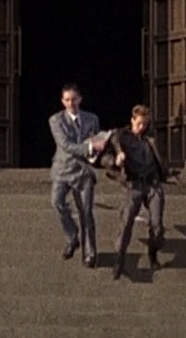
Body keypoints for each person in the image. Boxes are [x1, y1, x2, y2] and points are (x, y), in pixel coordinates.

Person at [108, 105, 170, 279]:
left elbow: (159, 158)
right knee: (126, 222)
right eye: (139, 123)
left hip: (152, 184)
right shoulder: (123, 136)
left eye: (145, 124)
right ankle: (119, 259)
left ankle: (153, 251)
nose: (142, 127)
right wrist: (118, 156)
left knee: (157, 224)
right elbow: (112, 141)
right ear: (132, 120)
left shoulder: (150, 138)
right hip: (134, 184)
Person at [47, 84, 101, 268]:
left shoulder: (92, 119)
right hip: (63, 170)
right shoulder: (56, 120)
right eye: (67, 100)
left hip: (84, 171)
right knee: (57, 202)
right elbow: (65, 144)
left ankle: (90, 253)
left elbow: (96, 140)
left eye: (74, 99)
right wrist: (89, 148)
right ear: (63, 101)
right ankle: (72, 236)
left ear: (80, 99)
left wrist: (97, 150)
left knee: (86, 211)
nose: (71, 103)